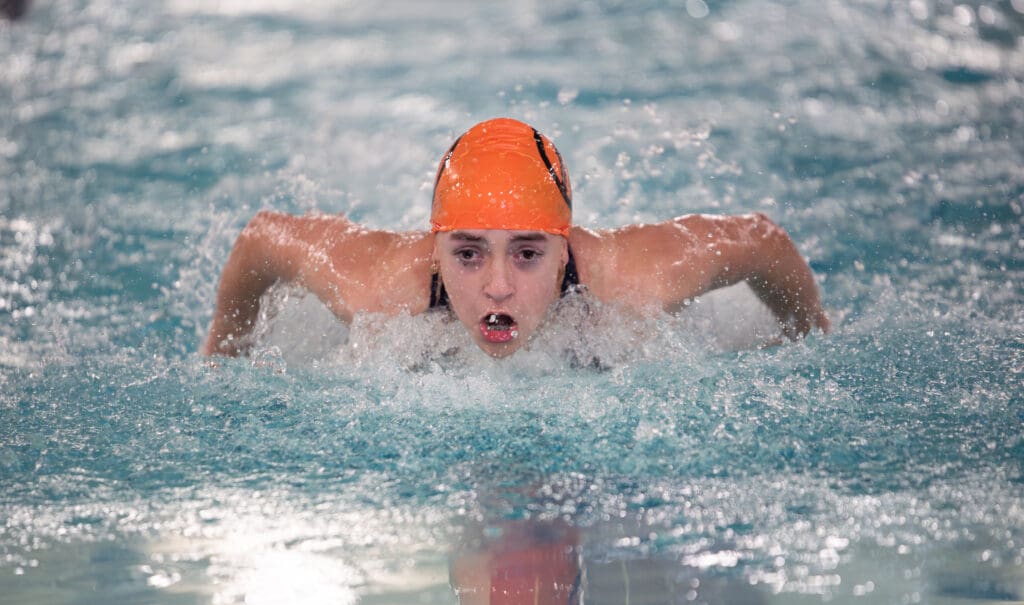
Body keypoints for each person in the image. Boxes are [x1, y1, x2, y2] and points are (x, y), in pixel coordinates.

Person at [201, 117, 828, 358]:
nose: (497, 285)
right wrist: (223, 353)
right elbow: (264, 238)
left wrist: (812, 335)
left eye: (528, 253)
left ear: (564, 251)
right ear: (437, 248)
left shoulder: (633, 277)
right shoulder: (379, 285)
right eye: (468, 254)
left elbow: (760, 241)